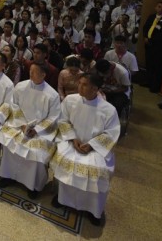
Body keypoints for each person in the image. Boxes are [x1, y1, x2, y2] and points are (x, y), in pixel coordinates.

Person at [51, 72, 121, 226]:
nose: (79, 87)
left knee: (97, 170)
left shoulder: (108, 109)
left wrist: (92, 145)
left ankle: (94, 209)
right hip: (72, 142)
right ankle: (63, 199)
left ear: (95, 89)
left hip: (96, 149)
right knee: (65, 161)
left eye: (84, 85)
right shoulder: (70, 100)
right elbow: (63, 120)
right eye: (80, 83)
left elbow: (112, 133)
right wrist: (73, 138)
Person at [0, 61, 62, 198]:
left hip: (41, 132)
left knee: (35, 152)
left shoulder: (52, 95)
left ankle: (33, 185)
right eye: (30, 71)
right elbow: (14, 105)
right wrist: (22, 124)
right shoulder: (21, 86)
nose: (31, 74)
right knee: (9, 144)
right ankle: (8, 176)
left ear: (43, 74)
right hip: (19, 125)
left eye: (34, 72)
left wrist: (37, 129)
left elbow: (53, 117)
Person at [142, 1, 162, 93]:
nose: (160, 9)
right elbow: (145, 27)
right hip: (148, 45)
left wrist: (152, 40)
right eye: (159, 7)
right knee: (149, 64)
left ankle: (155, 86)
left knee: (157, 66)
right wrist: (145, 37)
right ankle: (148, 81)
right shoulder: (151, 17)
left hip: (159, 47)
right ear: (156, 7)